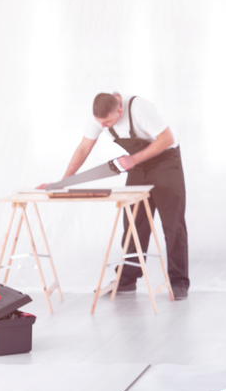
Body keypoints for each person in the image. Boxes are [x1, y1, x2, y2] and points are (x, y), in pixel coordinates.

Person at [48, 92, 189, 299]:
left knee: (172, 223)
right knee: (133, 223)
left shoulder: (140, 108)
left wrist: (134, 159)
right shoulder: (99, 117)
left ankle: (178, 283)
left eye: (108, 122)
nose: (103, 127)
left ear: (120, 111)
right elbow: (84, 147)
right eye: (100, 123)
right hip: (138, 166)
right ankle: (126, 281)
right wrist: (63, 182)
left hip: (165, 162)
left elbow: (167, 138)